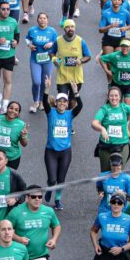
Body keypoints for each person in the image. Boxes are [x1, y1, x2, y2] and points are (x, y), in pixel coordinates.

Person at [42, 78, 82, 209]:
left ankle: (57, 200)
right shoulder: (50, 113)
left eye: (64, 101)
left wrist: (76, 92)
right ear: (57, 103)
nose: (62, 103)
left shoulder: (70, 114)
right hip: (51, 151)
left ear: (67, 104)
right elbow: (44, 101)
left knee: (61, 179)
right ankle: (49, 188)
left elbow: (80, 106)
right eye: (60, 101)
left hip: (65, 152)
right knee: (52, 179)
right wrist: (47, 88)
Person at [98, 38, 130, 105]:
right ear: (120, 47)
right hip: (117, 84)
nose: (125, 48)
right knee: (115, 105)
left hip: (129, 84)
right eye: (123, 46)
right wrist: (107, 70)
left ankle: (126, 115)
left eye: (127, 46)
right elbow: (102, 59)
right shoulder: (115, 55)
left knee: (127, 107)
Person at [26, 13, 57, 112]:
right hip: (35, 60)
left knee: (45, 82)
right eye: (40, 18)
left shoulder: (52, 31)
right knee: (36, 82)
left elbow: (57, 42)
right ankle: (35, 101)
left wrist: (51, 43)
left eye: (44, 18)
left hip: (47, 60)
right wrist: (29, 45)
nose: (42, 20)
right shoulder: (32, 30)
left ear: (47, 20)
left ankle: (42, 101)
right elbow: (27, 39)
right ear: (37, 20)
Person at [51, 19, 90, 97]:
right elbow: (51, 53)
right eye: (68, 27)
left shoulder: (80, 41)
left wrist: (80, 60)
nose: (70, 29)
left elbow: (88, 56)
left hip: (76, 77)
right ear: (64, 29)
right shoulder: (58, 40)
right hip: (62, 76)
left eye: (72, 27)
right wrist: (54, 59)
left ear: (75, 28)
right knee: (62, 100)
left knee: (72, 101)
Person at [0, 102, 29, 170]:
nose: (13, 111)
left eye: (16, 110)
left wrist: (23, 136)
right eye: (11, 108)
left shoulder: (21, 125)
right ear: (7, 109)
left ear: (18, 113)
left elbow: (24, 144)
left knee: (10, 179)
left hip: (12, 157)